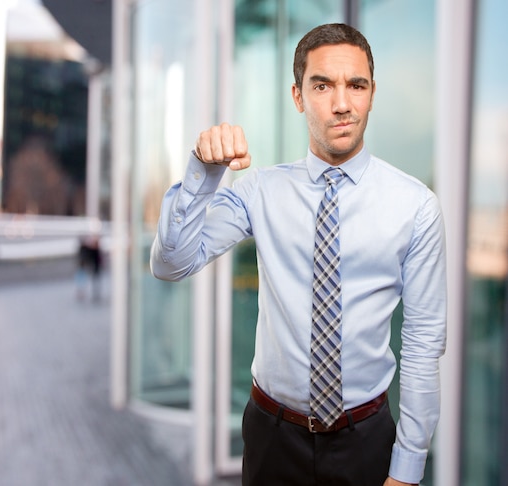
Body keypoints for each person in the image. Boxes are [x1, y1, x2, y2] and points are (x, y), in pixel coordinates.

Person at [150, 23, 446, 486]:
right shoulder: (260, 191)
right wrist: (201, 173)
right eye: (323, 85)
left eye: (356, 85)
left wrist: (408, 466)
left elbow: (424, 343)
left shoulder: (416, 206)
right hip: (271, 439)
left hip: (367, 440)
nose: (342, 103)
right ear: (297, 96)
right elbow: (170, 263)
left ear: (372, 94)